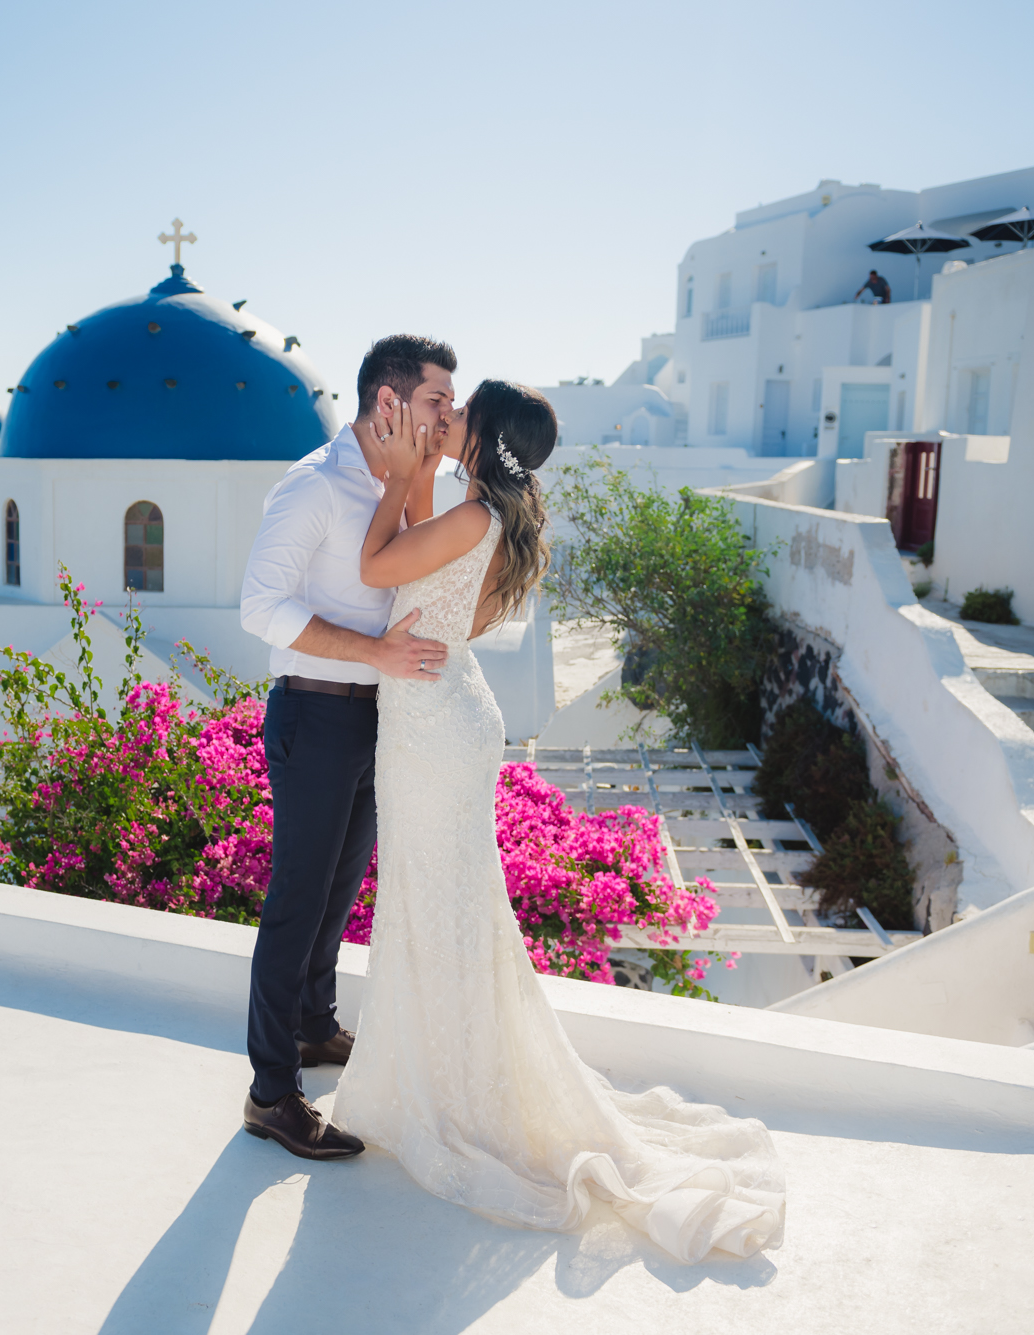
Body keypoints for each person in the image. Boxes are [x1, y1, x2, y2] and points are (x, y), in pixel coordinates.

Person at [331, 379, 787, 1265]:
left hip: (432, 726)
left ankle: (455, 1092)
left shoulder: (472, 520)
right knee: (441, 903)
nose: (448, 416)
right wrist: (426, 474)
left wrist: (395, 474)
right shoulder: (483, 512)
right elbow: (422, 582)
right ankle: (438, 1074)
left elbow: (374, 568)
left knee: (443, 903)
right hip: (437, 711)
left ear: (487, 433)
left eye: (462, 413)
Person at [236, 333, 459, 1160]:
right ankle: (270, 1094)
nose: (447, 416)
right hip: (315, 712)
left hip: (375, 718)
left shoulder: (396, 486)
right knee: (297, 900)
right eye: (437, 401)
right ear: (390, 403)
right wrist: (372, 655)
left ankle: (313, 1026)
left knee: (338, 892)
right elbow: (260, 606)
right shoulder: (315, 487)